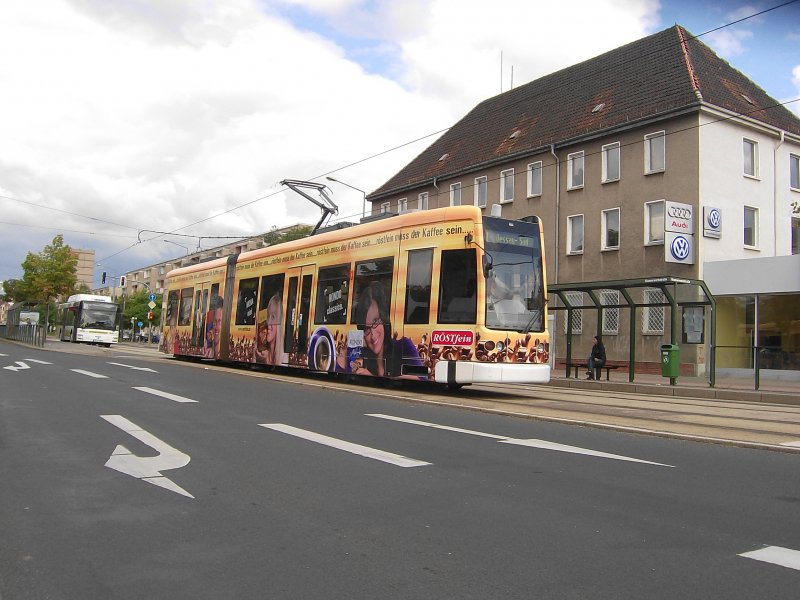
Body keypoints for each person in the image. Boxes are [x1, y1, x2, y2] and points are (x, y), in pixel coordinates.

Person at [344, 280, 423, 378]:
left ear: (384, 320)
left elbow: (422, 377)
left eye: (376, 322)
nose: (373, 336)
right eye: (366, 329)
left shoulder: (404, 347)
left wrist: (373, 380)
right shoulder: (360, 355)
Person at [255, 293, 284, 365]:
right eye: (268, 316)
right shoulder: (260, 353)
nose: (268, 323)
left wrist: (266, 361)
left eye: (273, 317)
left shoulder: (284, 358)